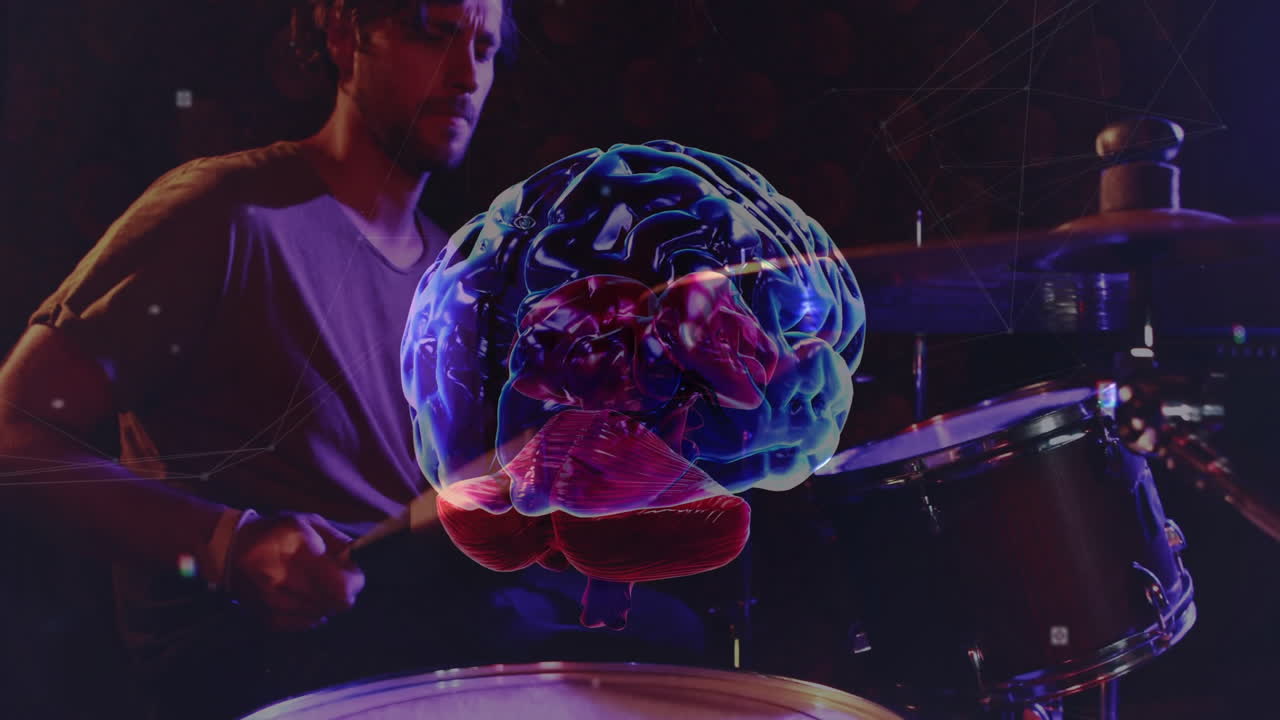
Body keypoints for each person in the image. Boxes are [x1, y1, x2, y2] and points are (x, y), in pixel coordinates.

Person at [0, 1, 707, 718]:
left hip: (419, 641)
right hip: (271, 669)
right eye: (431, 32)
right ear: (341, 32)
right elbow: (11, 433)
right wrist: (228, 544)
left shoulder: (451, 278)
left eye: (485, 48)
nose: (465, 74)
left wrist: (524, 469)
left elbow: (404, 506)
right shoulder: (225, 212)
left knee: (671, 629)